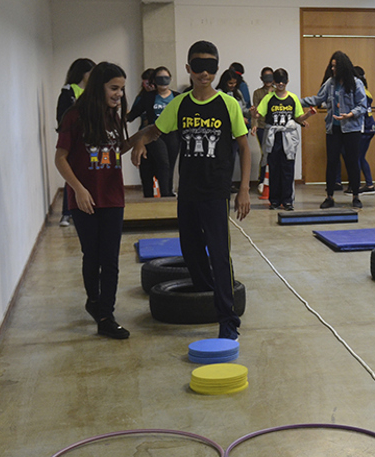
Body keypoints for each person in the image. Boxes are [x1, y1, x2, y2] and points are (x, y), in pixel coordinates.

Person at [132, 40, 252, 340]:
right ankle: (204, 296)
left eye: (210, 67)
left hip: (216, 190)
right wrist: (139, 142)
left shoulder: (228, 104)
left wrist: (244, 189)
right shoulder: (180, 104)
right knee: (191, 249)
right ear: (188, 68)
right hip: (187, 190)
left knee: (219, 253)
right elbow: (155, 130)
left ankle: (227, 318)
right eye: (198, 66)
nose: (204, 73)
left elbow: (243, 147)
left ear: (217, 69)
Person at [55, 62, 134, 339]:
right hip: (84, 199)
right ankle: (93, 300)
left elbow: (115, 149)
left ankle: (105, 316)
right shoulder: (74, 116)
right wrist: (78, 189)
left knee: (110, 258)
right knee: (92, 255)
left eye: (121, 89)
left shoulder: (114, 116)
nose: (119, 94)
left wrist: (141, 138)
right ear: (98, 86)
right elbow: (60, 158)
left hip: (112, 196)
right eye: (114, 88)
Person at [301, 51, 369, 209]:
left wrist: (350, 114)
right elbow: (318, 99)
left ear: (343, 67)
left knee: (352, 162)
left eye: (335, 66)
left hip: (351, 129)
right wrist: (295, 101)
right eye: (331, 66)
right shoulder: (330, 83)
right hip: (334, 129)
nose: (332, 69)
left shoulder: (356, 83)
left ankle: (356, 196)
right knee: (332, 162)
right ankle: (329, 196)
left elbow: (362, 105)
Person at [254, 68, 314, 211]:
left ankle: (287, 201)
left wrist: (308, 115)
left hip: (288, 138)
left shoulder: (292, 98)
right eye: (278, 81)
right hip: (273, 137)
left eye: (283, 81)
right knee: (274, 168)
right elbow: (259, 114)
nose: (281, 84)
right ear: (274, 82)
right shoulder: (268, 98)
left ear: (287, 81)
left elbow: (298, 117)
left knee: (288, 168)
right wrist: (253, 115)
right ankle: (274, 200)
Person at [127, 67, 180, 197]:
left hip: (173, 134)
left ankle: (168, 192)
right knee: (163, 162)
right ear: (154, 81)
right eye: (160, 78)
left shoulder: (177, 97)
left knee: (170, 164)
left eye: (166, 78)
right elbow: (133, 114)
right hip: (154, 133)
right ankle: (165, 193)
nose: (163, 81)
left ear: (170, 79)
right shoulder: (148, 97)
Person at [56, 58, 96, 227]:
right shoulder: (68, 92)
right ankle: (67, 213)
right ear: (83, 73)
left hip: (92, 140)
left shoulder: (92, 92)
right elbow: (62, 117)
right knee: (72, 175)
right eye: (91, 73)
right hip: (75, 140)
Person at [354, 65, 375, 194]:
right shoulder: (366, 90)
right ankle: (368, 184)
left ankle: (361, 185)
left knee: (358, 157)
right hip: (370, 127)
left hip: (365, 128)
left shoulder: (360, 91)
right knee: (360, 157)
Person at [252, 67, 276, 193]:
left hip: (275, 126)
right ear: (261, 78)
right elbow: (255, 110)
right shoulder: (257, 93)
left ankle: (274, 180)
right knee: (265, 153)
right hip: (262, 126)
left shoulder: (278, 91)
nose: (268, 80)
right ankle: (262, 181)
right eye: (265, 77)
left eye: (270, 77)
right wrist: (254, 124)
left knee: (275, 153)